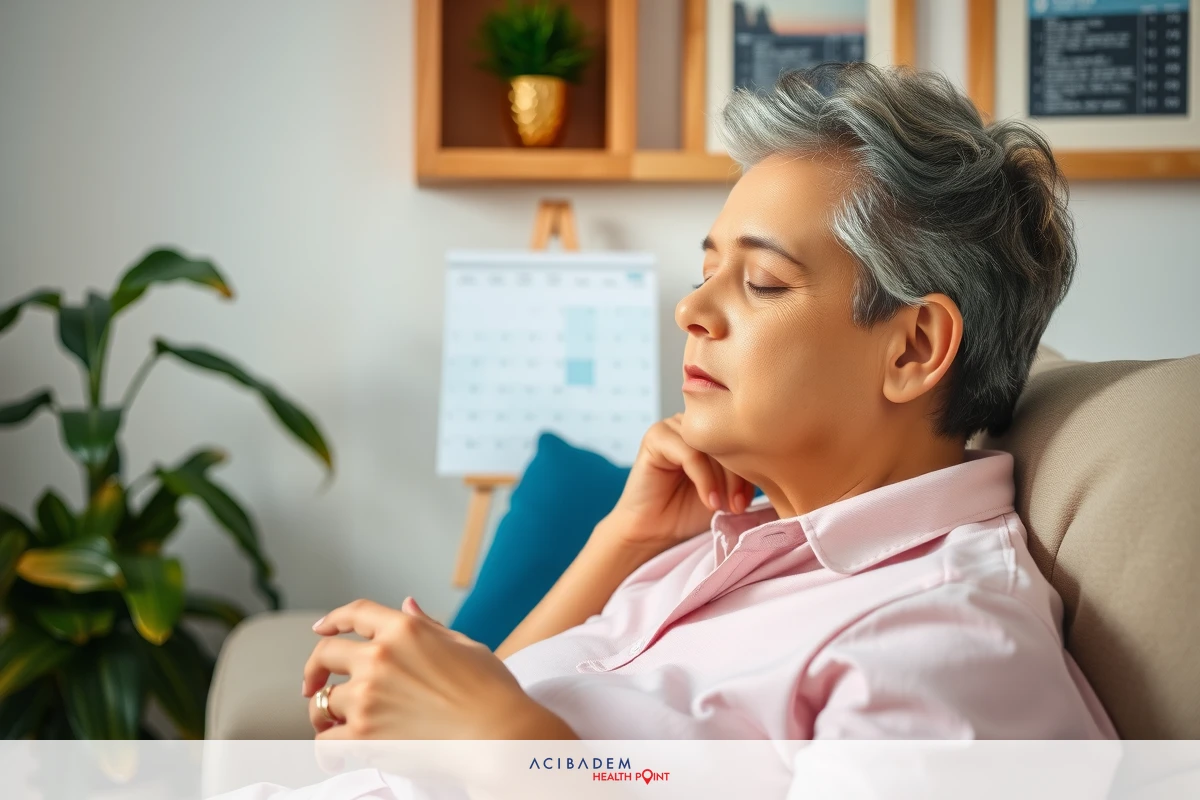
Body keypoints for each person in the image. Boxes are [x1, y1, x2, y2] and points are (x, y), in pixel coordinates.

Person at [299, 62, 1116, 745]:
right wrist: (622, 544)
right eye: (707, 271)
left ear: (913, 349)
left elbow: (501, 738)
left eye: (760, 282)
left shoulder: (951, 641)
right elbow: (491, 712)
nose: (690, 312)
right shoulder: (733, 547)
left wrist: (510, 748)